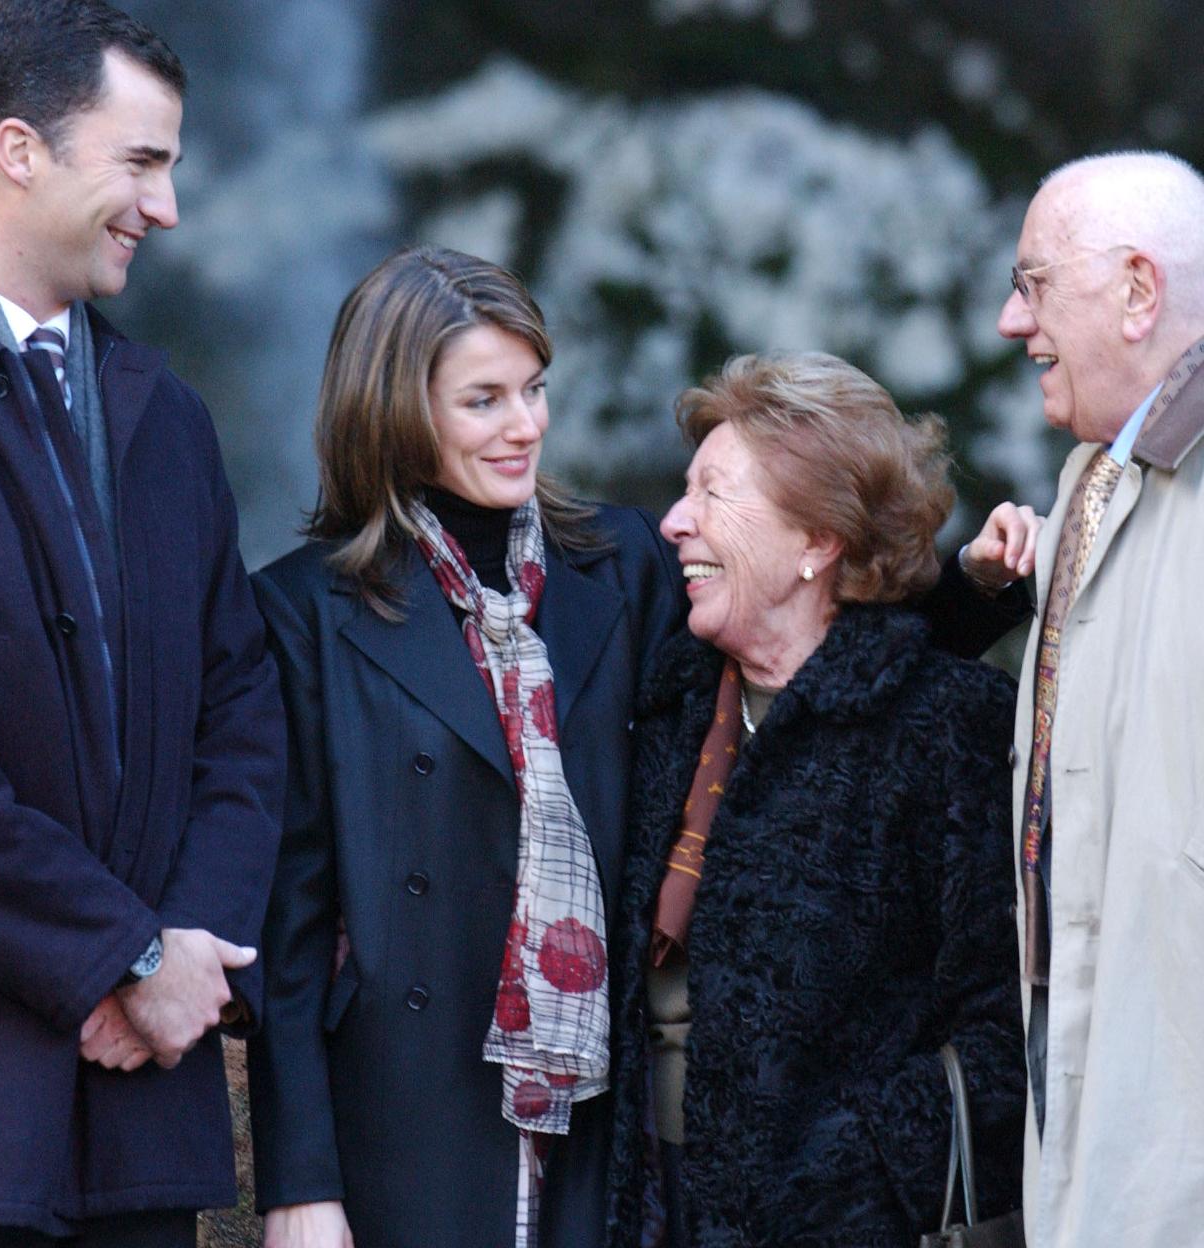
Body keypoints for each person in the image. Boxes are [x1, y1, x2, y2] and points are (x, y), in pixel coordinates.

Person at [247, 246, 1032, 1248]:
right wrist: (297, 1182)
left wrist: (974, 595)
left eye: (534, 389)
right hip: (405, 1116)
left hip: (600, 1145)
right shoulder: (301, 612)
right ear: (395, 409)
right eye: (482, 400)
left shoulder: (618, 571)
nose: (525, 425)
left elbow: (824, 662)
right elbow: (292, 921)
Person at [0, 3, 284, 1245]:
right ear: (21, 149)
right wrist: (119, 958)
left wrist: (182, 962)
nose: (168, 208)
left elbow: (241, 709)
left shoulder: (171, 418)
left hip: (140, 1123)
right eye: (141, 162)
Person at [606, 352, 1026, 1248]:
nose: (676, 521)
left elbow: (1011, 1036)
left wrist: (851, 1171)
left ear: (816, 541)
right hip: (651, 1210)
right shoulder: (673, 702)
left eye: (714, 494)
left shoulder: (944, 728)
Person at [995, 151, 1204, 1248]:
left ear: (1137, 291)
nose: (1006, 319)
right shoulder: (1093, 482)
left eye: (1034, 284)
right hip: (1094, 1118)